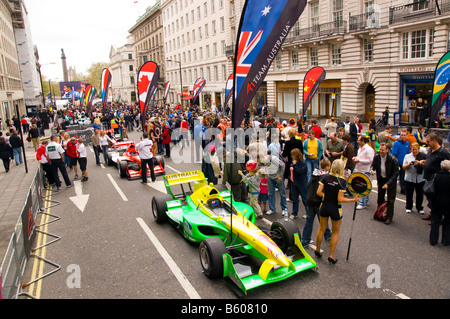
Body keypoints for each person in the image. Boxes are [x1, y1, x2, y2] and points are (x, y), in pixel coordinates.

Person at [315, 159, 359, 264]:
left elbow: (318, 192)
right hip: (335, 209)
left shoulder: (325, 177)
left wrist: (327, 196)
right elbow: (340, 199)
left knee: (321, 229)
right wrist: (353, 200)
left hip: (324, 206)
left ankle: (317, 249)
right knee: (335, 232)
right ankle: (331, 256)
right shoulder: (342, 181)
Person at [420, 133, 450, 222]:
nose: (426, 143)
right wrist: (424, 162)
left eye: (428, 141)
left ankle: (439, 217)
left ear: (434, 141)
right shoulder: (430, 150)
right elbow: (429, 160)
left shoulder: (443, 152)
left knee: (436, 199)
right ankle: (432, 213)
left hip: (437, 181)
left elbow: (448, 164)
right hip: (428, 178)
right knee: (430, 198)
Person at [302, 159, 332, 247]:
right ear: (326, 167)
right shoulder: (325, 177)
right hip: (319, 201)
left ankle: (305, 240)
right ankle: (328, 235)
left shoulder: (314, 174)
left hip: (310, 200)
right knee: (323, 220)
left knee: (309, 220)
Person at [370, 143, 399, 225]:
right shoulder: (377, 157)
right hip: (381, 179)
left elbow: (395, 173)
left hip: (391, 181)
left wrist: (388, 184)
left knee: (390, 200)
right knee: (380, 198)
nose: (381, 152)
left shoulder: (393, 160)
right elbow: (373, 165)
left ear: (387, 150)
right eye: (380, 150)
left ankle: (389, 217)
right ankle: (379, 213)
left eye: (383, 150)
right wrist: (372, 169)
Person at [258, 151, 287, 216]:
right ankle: (272, 209)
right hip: (270, 177)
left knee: (282, 194)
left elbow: (282, 165)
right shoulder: (263, 162)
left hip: (278, 177)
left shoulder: (273, 158)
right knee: (271, 193)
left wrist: (280, 175)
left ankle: (284, 209)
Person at [430, 160, 450, 246]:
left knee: (435, 222)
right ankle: (446, 240)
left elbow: (430, 189)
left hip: (436, 201)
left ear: (441, 167)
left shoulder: (436, 176)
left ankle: (433, 240)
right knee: (448, 222)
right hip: (448, 203)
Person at [403, 142, 426, 214]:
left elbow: (426, 166)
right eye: (413, 149)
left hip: (420, 178)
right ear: (411, 149)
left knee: (420, 194)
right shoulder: (407, 156)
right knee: (409, 193)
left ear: (418, 149)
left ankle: (419, 207)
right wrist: (409, 164)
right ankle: (408, 207)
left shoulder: (422, 156)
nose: (414, 151)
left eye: (416, 149)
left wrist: (419, 163)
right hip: (409, 178)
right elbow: (403, 167)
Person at [353, 136, 375, 209]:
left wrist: (359, 161)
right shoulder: (360, 148)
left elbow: (370, 160)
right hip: (359, 169)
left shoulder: (369, 150)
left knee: (363, 187)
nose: (357, 141)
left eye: (358, 140)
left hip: (365, 170)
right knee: (362, 186)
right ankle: (365, 201)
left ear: (363, 141)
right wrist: (356, 158)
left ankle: (362, 203)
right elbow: (360, 157)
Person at [289, 148, 308, 220]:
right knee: (294, 199)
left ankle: (308, 213)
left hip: (301, 183)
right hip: (293, 182)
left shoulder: (303, 163)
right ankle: (294, 213)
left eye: (292, 155)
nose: (291, 157)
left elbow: (300, 171)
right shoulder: (293, 161)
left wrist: (295, 165)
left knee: (304, 198)